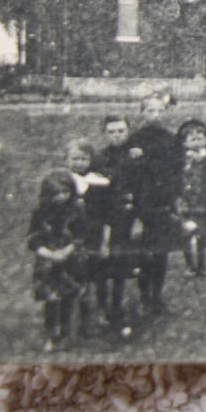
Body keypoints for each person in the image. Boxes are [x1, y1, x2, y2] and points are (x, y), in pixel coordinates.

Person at [127, 94, 183, 316]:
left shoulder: (171, 139)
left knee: (161, 251)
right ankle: (143, 295)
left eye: (160, 111)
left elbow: (176, 170)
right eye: (150, 110)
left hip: (163, 202)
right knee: (143, 251)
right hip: (142, 203)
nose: (155, 115)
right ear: (142, 113)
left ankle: (157, 296)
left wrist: (174, 197)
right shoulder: (135, 139)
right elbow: (131, 171)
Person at [27, 170, 88, 352]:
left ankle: (66, 333)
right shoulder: (40, 212)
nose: (62, 197)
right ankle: (51, 334)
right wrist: (48, 253)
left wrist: (68, 250)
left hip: (70, 260)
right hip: (48, 262)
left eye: (66, 192)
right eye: (56, 194)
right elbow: (33, 238)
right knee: (51, 299)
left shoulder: (77, 209)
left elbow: (82, 234)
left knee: (68, 296)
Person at [60, 139, 111, 337]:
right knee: (72, 277)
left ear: (91, 160)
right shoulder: (62, 183)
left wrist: (105, 240)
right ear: (66, 160)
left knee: (97, 276)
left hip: (93, 235)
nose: (79, 162)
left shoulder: (99, 183)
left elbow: (106, 215)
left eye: (84, 159)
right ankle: (70, 321)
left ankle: (98, 314)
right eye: (74, 158)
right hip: (71, 236)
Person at [92, 115, 137, 333]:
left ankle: (118, 307)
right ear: (105, 134)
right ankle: (102, 308)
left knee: (121, 264)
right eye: (111, 132)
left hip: (126, 218)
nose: (117, 135)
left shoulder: (136, 154)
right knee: (101, 264)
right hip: (103, 216)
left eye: (121, 130)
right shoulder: (100, 158)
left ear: (128, 131)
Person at [177, 120, 206, 275]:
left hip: (203, 203)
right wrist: (179, 200)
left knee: (202, 236)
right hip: (186, 203)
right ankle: (189, 265)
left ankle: (202, 265)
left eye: (200, 138)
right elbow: (177, 181)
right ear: (185, 142)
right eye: (192, 139)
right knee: (186, 235)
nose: (196, 142)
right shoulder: (182, 161)